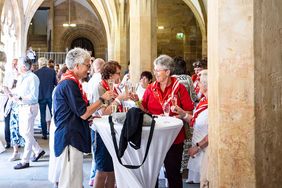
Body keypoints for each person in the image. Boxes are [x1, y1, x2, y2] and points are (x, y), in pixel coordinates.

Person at [53, 48, 115, 188]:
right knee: (70, 182)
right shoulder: (69, 84)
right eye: (87, 65)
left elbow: (78, 111)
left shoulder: (72, 82)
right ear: (77, 66)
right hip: (69, 137)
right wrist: (102, 99)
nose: (89, 69)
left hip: (72, 135)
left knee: (74, 180)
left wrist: (92, 115)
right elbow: (83, 113)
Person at [132, 55, 194, 188]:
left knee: (173, 172)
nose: (155, 73)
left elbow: (189, 113)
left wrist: (180, 114)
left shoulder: (179, 88)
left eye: (158, 70)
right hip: (154, 136)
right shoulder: (151, 87)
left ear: (167, 72)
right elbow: (145, 109)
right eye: (154, 70)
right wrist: (137, 100)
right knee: (152, 172)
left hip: (174, 137)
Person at [92, 60, 129, 188]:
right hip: (102, 132)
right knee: (102, 169)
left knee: (113, 169)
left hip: (114, 130)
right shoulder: (100, 87)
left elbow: (117, 108)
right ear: (110, 75)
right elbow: (103, 112)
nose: (120, 76)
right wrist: (119, 99)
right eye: (118, 73)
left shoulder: (114, 87)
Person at [173, 70, 208, 186]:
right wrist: (183, 114)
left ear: (206, 85)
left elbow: (214, 132)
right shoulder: (203, 100)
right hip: (198, 152)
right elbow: (195, 121)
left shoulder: (213, 104)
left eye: (199, 82)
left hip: (205, 152)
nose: (197, 85)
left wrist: (198, 146)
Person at [13, 57, 45, 170]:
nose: (16, 66)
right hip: (22, 106)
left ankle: (25, 161)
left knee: (27, 133)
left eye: (18, 65)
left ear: (23, 66)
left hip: (29, 107)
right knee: (24, 133)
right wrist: (14, 94)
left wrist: (20, 98)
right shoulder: (21, 77)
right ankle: (38, 150)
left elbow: (34, 96)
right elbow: (20, 92)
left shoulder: (33, 78)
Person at [87, 58, 106, 186]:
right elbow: (101, 107)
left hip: (93, 118)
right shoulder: (100, 81)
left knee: (96, 154)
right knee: (99, 157)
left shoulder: (92, 79)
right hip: (98, 120)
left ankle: (93, 178)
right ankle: (94, 178)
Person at [34, 57, 57, 139]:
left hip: (41, 96)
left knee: (42, 116)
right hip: (50, 95)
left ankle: (44, 134)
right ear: (46, 63)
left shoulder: (36, 73)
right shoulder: (52, 71)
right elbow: (56, 83)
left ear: (40, 64)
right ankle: (54, 132)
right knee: (53, 114)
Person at [2, 58, 18, 149]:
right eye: (13, 64)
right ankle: (8, 141)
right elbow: (4, 87)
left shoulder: (21, 74)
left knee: (16, 121)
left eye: (16, 64)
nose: (14, 65)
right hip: (8, 99)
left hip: (18, 100)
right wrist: (10, 96)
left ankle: (16, 140)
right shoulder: (8, 73)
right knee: (7, 121)